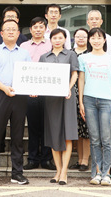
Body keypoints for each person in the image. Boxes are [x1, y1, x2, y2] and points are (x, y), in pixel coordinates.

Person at [0, 19, 31, 186]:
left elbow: (30, 74)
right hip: (0, 94)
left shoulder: (24, 53)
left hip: (20, 96)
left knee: (18, 136)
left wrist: (31, 88)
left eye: (14, 29)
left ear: (18, 34)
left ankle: (17, 173)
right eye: (7, 29)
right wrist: (4, 88)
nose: (11, 32)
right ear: (1, 33)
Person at [78, 27, 111, 186]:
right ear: (89, 40)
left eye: (99, 38)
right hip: (89, 100)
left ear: (104, 40)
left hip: (107, 101)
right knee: (94, 139)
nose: (96, 41)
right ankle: (97, 172)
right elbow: (81, 80)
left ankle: (107, 173)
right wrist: (81, 102)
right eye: (93, 38)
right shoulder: (83, 58)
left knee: (106, 139)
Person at [40, 28, 79, 185]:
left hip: (67, 97)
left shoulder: (71, 54)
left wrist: (68, 88)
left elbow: (75, 74)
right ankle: (58, 170)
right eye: (54, 38)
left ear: (65, 39)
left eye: (60, 38)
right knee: (54, 133)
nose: (57, 40)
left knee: (67, 133)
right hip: (51, 99)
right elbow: (40, 77)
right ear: (50, 40)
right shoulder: (44, 57)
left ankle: (64, 172)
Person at [22, 16, 54, 171]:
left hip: (48, 89)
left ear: (45, 29)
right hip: (30, 90)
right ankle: (33, 159)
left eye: (41, 27)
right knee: (33, 126)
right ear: (30, 29)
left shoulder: (51, 44)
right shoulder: (23, 46)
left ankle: (47, 159)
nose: (38, 29)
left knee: (47, 126)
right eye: (35, 27)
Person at [71, 27, 90, 172]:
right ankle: (79, 159)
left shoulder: (90, 54)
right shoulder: (69, 53)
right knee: (77, 128)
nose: (81, 39)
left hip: (87, 92)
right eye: (78, 36)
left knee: (86, 128)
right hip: (72, 93)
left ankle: (85, 160)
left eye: (84, 36)